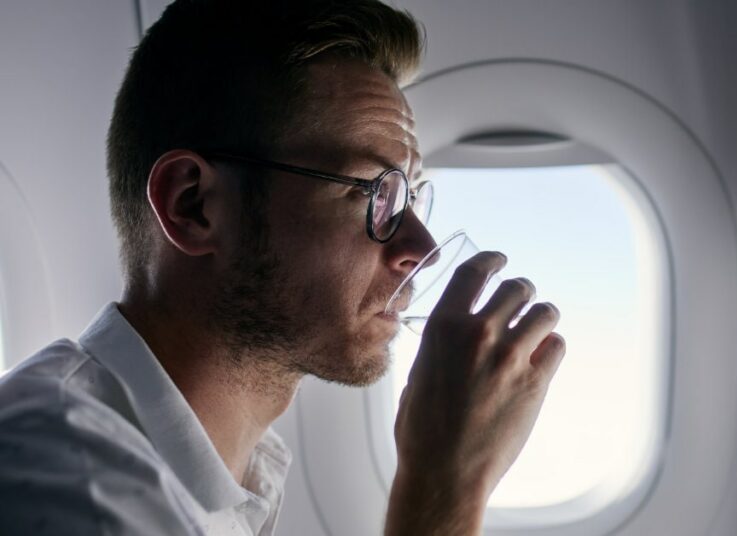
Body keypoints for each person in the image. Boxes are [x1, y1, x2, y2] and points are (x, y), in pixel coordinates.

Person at [0, 1, 565, 534]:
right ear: (193, 206)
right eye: (376, 194)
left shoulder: (236, 475)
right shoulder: (73, 484)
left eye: (411, 197)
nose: (422, 245)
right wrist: (444, 485)